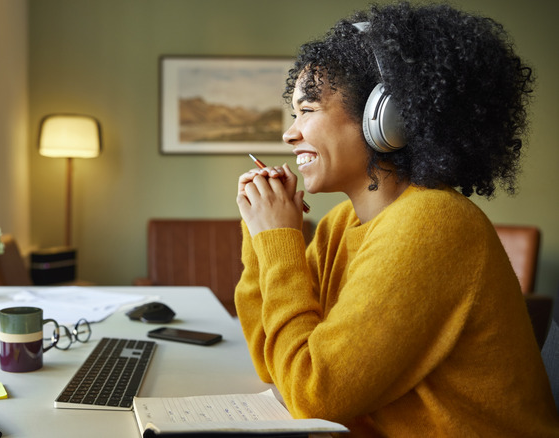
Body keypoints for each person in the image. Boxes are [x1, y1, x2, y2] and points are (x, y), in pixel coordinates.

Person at [234, 3, 559, 436]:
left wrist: (278, 239)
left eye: (308, 111)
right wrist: (263, 237)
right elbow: (273, 363)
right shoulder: (340, 225)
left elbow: (314, 394)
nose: (289, 133)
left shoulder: (433, 224)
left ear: (386, 117)